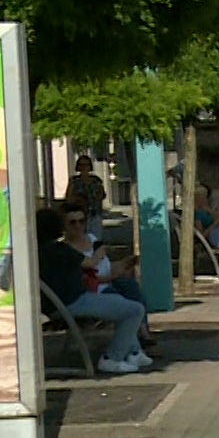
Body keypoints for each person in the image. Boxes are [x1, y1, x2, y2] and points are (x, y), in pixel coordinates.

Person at [38, 207, 149, 374]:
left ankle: (134, 352)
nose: (77, 226)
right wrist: (99, 252)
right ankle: (112, 358)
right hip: (74, 301)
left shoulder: (37, 251)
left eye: (81, 221)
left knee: (121, 301)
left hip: (59, 303)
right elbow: (89, 264)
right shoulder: (60, 249)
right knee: (134, 309)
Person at [59, 202, 153, 347]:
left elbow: (107, 266)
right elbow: (88, 279)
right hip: (94, 289)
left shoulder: (91, 239)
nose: (78, 226)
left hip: (109, 280)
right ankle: (134, 342)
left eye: (81, 221)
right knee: (121, 299)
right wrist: (102, 265)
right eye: (72, 222)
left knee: (131, 286)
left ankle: (141, 331)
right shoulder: (66, 250)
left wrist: (124, 264)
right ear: (64, 225)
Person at [64, 154, 108, 241]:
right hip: (80, 216)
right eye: (81, 165)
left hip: (95, 214)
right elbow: (68, 198)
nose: (84, 167)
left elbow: (102, 195)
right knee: (81, 239)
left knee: (95, 240)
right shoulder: (74, 181)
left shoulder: (96, 180)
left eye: (86, 165)